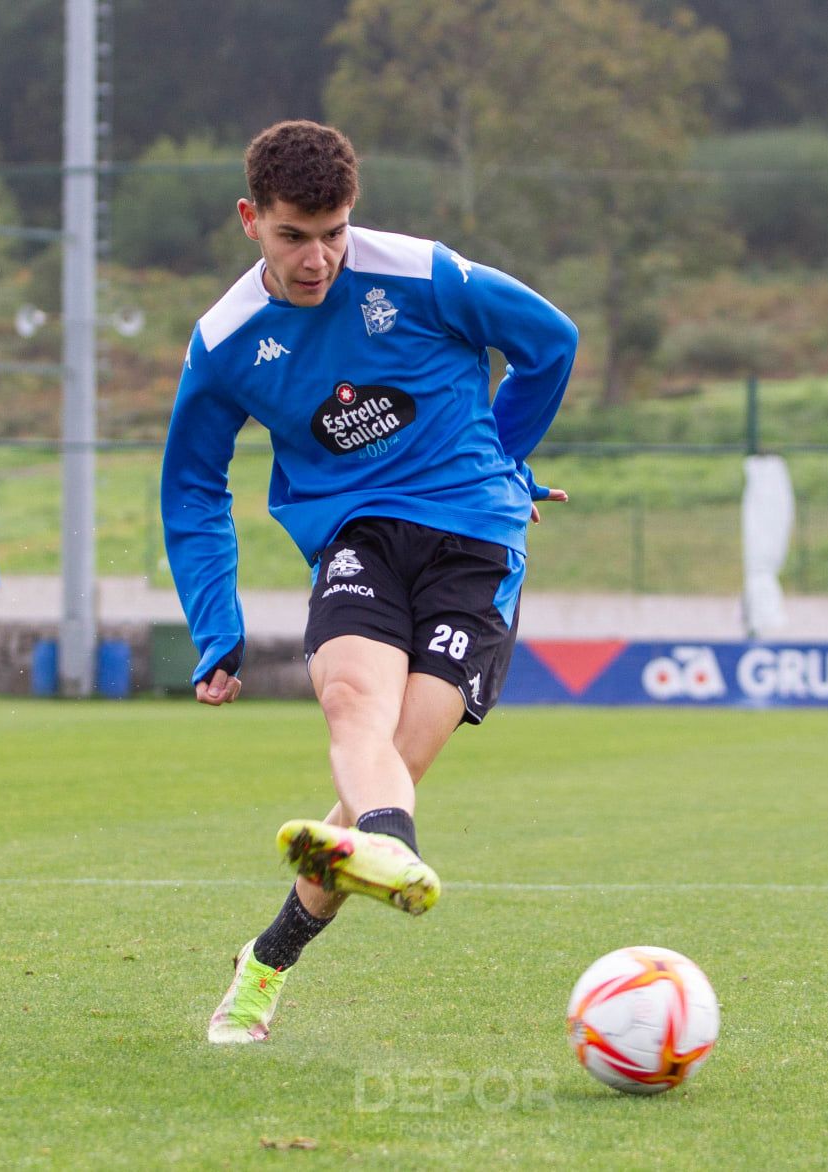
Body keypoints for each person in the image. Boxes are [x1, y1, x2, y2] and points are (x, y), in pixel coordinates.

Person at [160, 120, 579, 1044]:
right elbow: (191, 483)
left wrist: (504, 463)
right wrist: (216, 628)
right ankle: (397, 840)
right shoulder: (226, 342)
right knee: (355, 707)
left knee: (393, 759)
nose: (318, 259)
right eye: (293, 237)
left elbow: (550, 340)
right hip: (359, 536)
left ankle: (266, 961)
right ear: (249, 220)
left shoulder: (422, 273)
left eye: (334, 232)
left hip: (476, 539)